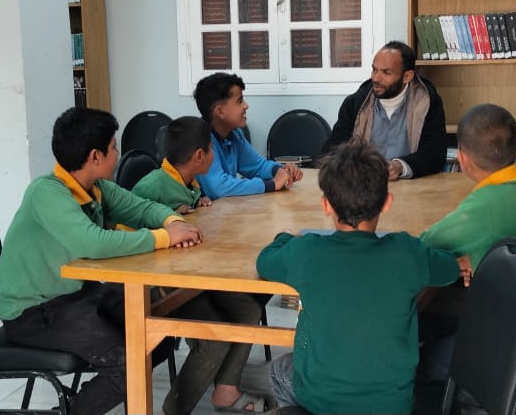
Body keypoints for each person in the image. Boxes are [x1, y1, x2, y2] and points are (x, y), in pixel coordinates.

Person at [0, 107, 203, 415]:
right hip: (35, 311)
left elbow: (143, 208)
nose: (118, 153)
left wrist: (173, 221)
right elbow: (93, 243)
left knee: (155, 336)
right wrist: (164, 237)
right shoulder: (46, 193)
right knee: (128, 364)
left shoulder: (96, 188)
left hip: (77, 296)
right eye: (114, 147)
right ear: (95, 156)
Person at [257, 139, 461, 415]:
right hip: (392, 406)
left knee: (280, 369)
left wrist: (286, 237)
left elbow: (265, 262)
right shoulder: (408, 252)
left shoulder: (306, 252)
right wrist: (457, 262)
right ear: (387, 203)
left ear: (326, 205)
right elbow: (450, 270)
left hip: (321, 401)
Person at [419, 104, 516, 374]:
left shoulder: (484, 207)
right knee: (435, 318)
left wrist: (455, 258)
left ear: (461, 159)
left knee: (427, 360)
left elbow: (421, 247)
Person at [131, 115, 270, 414]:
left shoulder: (189, 181)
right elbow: (129, 227)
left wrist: (197, 205)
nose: (213, 156)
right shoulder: (152, 186)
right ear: (199, 156)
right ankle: (174, 410)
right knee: (214, 339)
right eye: (211, 150)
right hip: (160, 285)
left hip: (194, 274)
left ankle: (226, 391)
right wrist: (168, 219)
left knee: (248, 309)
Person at [321, 41, 447, 180]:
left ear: (407, 76)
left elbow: (435, 154)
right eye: (374, 70)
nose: (376, 78)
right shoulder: (355, 103)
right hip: (363, 186)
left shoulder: (427, 102)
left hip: (411, 186)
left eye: (387, 72)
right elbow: (331, 150)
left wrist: (400, 166)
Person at [193, 72, 302, 199]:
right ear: (220, 112)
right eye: (239, 101)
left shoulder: (234, 134)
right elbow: (218, 187)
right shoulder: (201, 140)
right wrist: (271, 184)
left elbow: (257, 165)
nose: (246, 106)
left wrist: (280, 170)